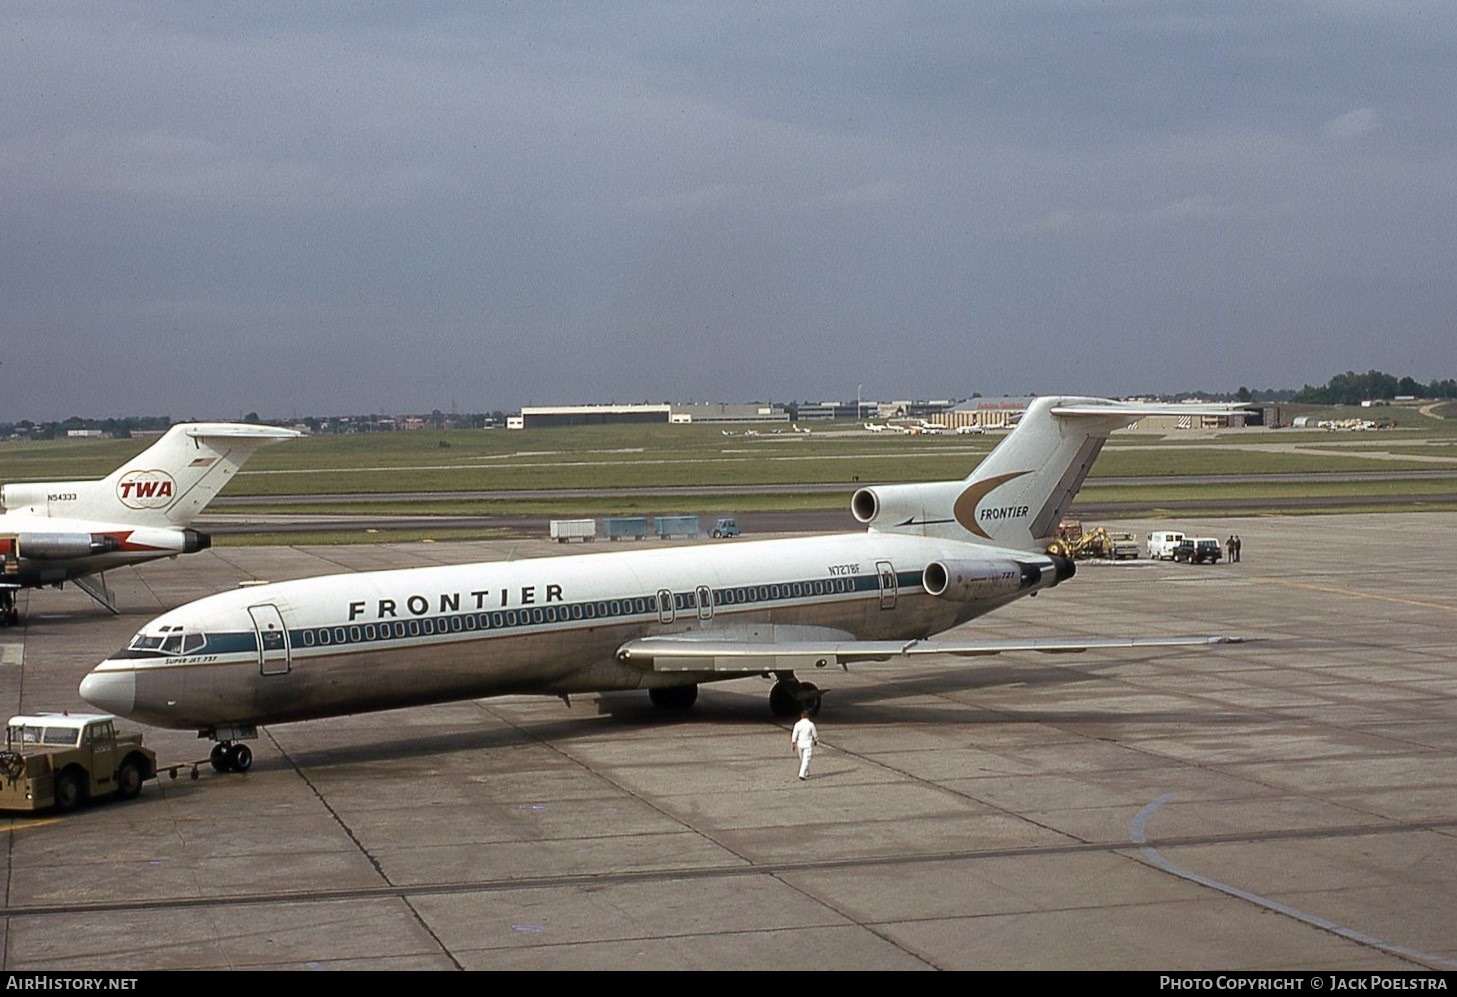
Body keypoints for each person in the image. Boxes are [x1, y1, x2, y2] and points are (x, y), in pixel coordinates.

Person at [790, 710, 819, 781]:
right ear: (808, 716)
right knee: (806, 759)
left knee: (802, 759)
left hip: (800, 743)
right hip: (807, 743)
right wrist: (816, 740)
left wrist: (793, 742)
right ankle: (802, 774)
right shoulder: (811, 724)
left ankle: (805, 772)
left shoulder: (797, 724)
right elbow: (815, 734)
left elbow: (794, 733)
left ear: (801, 716)